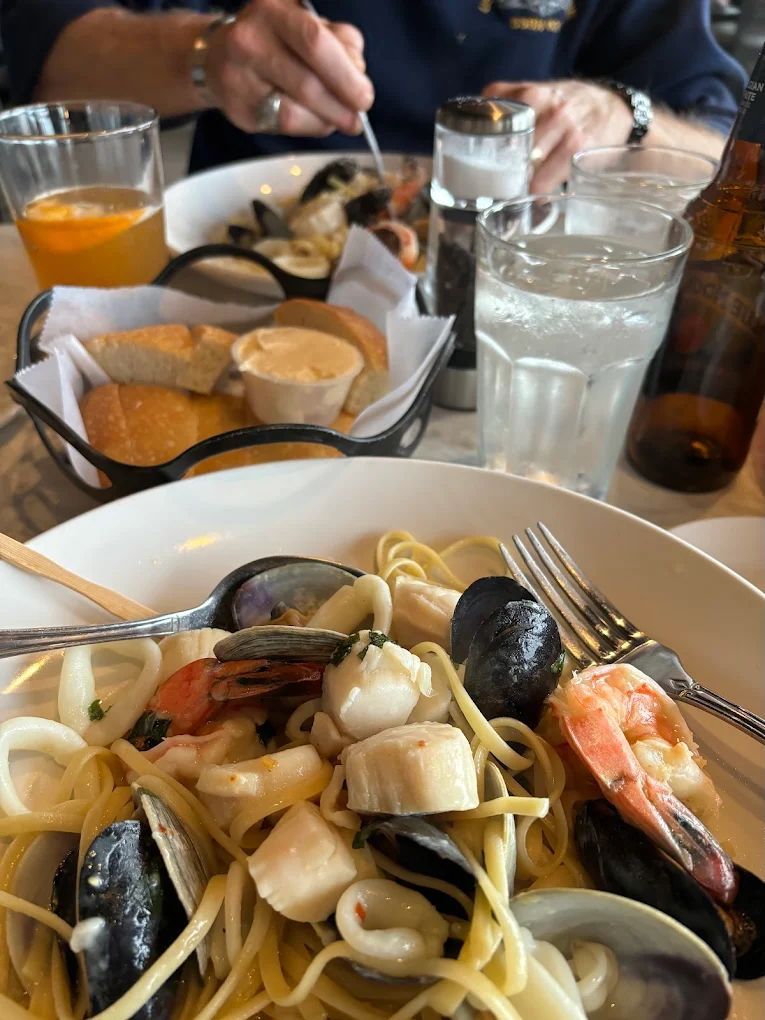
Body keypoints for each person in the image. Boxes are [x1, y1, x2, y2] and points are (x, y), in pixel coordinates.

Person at [2, 1, 747, 190]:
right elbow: (45, 54)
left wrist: (624, 121)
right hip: (240, 290)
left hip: (515, 314)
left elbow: (729, 155)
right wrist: (204, 56)